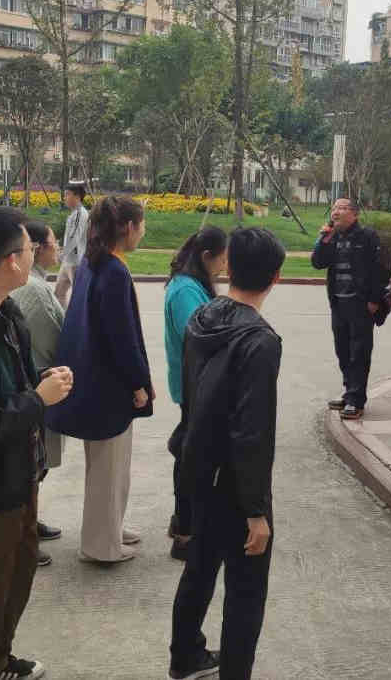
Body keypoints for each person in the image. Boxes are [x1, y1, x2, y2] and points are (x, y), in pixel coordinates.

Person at [170, 228, 285, 680]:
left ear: (230, 266)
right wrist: (256, 512)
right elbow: (252, 431)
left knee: (198, 571)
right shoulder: (260, 340)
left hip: (198, 468)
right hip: (235, 484)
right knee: (246, 589)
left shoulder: (202, 318)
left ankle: (184, 658)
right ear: (276, 276)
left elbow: (190, 400)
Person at [0, 206, 73, 680]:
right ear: (11, 260)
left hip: (17, 478)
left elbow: (7, 390)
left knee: (12, 580)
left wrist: (40, 381)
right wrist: (36, 399)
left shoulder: (5, 313)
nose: (35, 255)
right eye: (31, 248)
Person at [48, 195, 153, 563]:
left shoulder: (95, 264)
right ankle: (101, 545)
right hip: (109, 385)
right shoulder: (113, 271)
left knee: (112, 466)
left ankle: (110, 528)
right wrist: (138, 383)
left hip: (94, 379)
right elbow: (122, 336)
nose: (143, 231)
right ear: (128, 227)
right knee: (108, 468)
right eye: (142, 224)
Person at [164, 226, 228, 561]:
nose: (224, 265)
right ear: (206, 256)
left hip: (199, 383)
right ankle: (185, 532)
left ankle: (184, 523)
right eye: (222, 258)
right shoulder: (185, 290)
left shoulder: (192, 284)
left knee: (190, 453)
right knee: (191, 459)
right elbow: (200, 336)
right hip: (195, 385)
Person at [10, 221, 66, 568]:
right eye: (51, 242)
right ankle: (23, 534)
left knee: (35, 465)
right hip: (37, 387)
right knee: (33, 464)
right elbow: (53, 338)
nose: (56, 248)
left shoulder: (34, 285)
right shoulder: (34, 289)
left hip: (34, 385)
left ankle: (28, 524)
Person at [311, 198, 390, 421]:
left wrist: (374, 299)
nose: (336, 212)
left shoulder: (367, 236)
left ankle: (356, 400)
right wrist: (324, 238)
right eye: (334, 208)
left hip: (361, 304)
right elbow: (317, 263)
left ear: (355, 214)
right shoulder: (332, 236)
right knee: (343, 350)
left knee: (359, 352)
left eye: (342, 208)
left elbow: (382, 268)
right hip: (338, 303)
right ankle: (349, 393)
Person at [54, 181, 89, 309]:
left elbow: (74, 238)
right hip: (68, 261)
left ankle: (79, 320)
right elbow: (70, 237)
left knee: (79, 297)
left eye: (67, 194)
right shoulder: (74, 213)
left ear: (77, 196)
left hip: (76, 263)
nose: (64, 198)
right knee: (58, 293)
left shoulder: (80, 214)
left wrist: (61, 255)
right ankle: (64, 319)